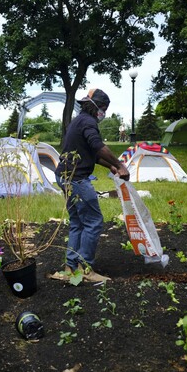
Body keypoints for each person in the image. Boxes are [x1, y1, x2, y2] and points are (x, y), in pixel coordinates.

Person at [54, 88, 130, 283]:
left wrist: (111, 166)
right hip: (77, 178)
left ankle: (71, 269)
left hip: (64, 176)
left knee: (78, 222)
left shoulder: (78, 121)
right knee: (94, 221)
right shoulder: (89, 122)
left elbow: (92, 154)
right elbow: (98, 146)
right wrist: (120, 165)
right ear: (98, 107)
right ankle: (86, 270)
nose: (103, 113)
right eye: (104, 108)